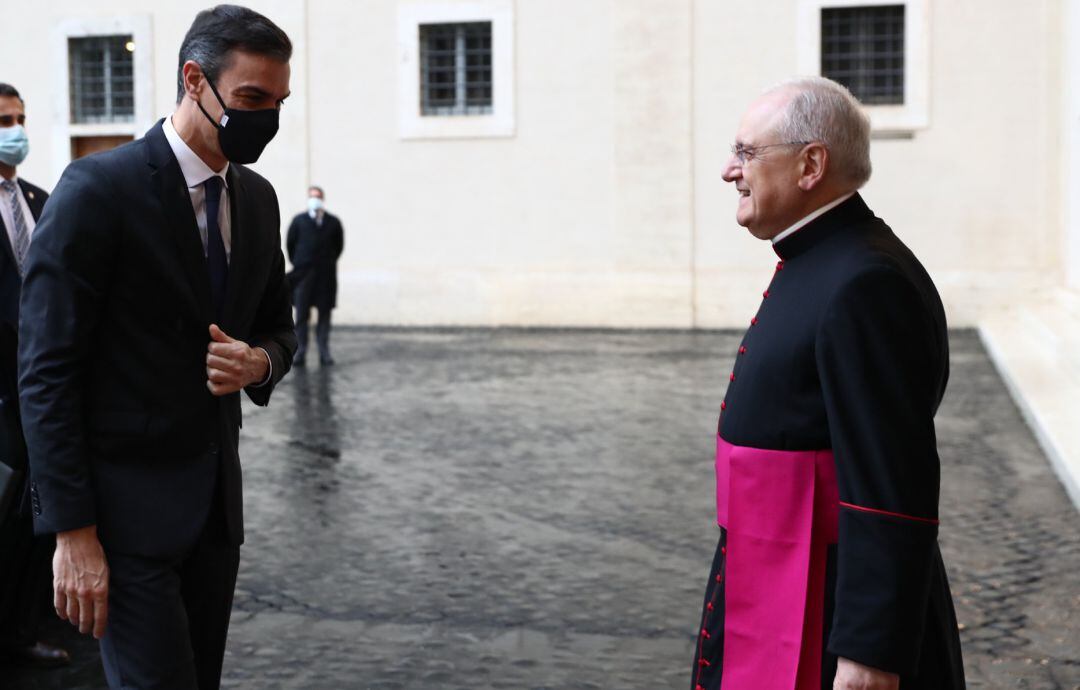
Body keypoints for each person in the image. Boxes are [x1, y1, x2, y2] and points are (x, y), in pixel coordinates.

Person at [17, 6, 297, 688]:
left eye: (280, 103)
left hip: (214, 517)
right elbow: (47, 371)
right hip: (121, 523)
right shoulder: (98, 191)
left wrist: (258, 362)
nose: (267, 118)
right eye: (253, 100)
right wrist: (72, 533)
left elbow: (279, 330)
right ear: (194, 80)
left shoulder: (257, 199)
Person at [691, 77, 965, 690]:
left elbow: (891, 480)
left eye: (746, 152)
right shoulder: (822, 259)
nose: (729, 171)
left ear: (812, 163)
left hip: (826, 603)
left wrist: (870, 653)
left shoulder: (865, 283)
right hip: (777, 568)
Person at [0, 83, 70, 668]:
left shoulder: (38, 197)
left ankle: (25, 626)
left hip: (39, 390)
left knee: (29, 518)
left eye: (20, 118)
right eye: (4, 119)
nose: (15, 129)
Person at [287, 185, 344, 366]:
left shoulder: (333, 222)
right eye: (312, 196)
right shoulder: (299, 221)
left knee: (324, 314)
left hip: (325, 277)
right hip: (304, 275)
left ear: (322, 199)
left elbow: (338, 246)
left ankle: (324, 351)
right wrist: (301, 263)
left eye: (318, 196)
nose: (315, 199)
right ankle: (301, 352)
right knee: (302, 315)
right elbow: (291, 244)